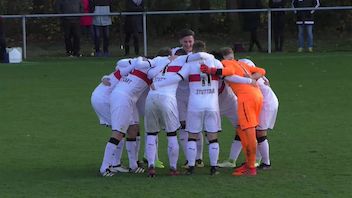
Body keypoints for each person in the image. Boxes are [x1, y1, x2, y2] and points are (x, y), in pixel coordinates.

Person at [151, 41, 222, 176]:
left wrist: (158, 84)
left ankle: (191, 167)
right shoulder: (216, 62)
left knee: (192, 136)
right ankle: (214, 168)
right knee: (212, 137)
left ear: (193, 52)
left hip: (195, 104)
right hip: (212, 105)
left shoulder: (190, 64)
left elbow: (177, 77)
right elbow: (227, 74)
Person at [201, 47, 266, 176]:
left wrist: (211, 70)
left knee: (249, 133)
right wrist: (252, 78)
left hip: (246, 98)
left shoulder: (226, 63)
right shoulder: (241, 63)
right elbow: (262, 70)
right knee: (245, 131)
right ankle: (249, 164)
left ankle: (251, 167)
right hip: (257, 95)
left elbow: (228, 71)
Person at [91, 59, 135, 175]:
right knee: (120, 130)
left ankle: (115, 163)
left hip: (98, 97)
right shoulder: (125, 72)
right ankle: (109, 166)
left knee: (121, 130)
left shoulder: (118, 72)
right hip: (103, 100)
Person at [172, 29, 205, 168]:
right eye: (185, 41)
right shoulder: (174, 53)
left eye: (190, 41)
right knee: (183, 127)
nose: (188, 44)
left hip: (194, 95)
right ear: (180, 42)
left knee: (196, 127)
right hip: (178, 96)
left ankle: (199, 158)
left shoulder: (198, 55)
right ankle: (188, 158)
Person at [238, 59, 279, 170]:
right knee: (256, 133)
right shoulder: (256, 76)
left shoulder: (251, 78)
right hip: (267, 102)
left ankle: (266, 163)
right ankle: (256, 160)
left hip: (266, 104)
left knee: (260, 133)